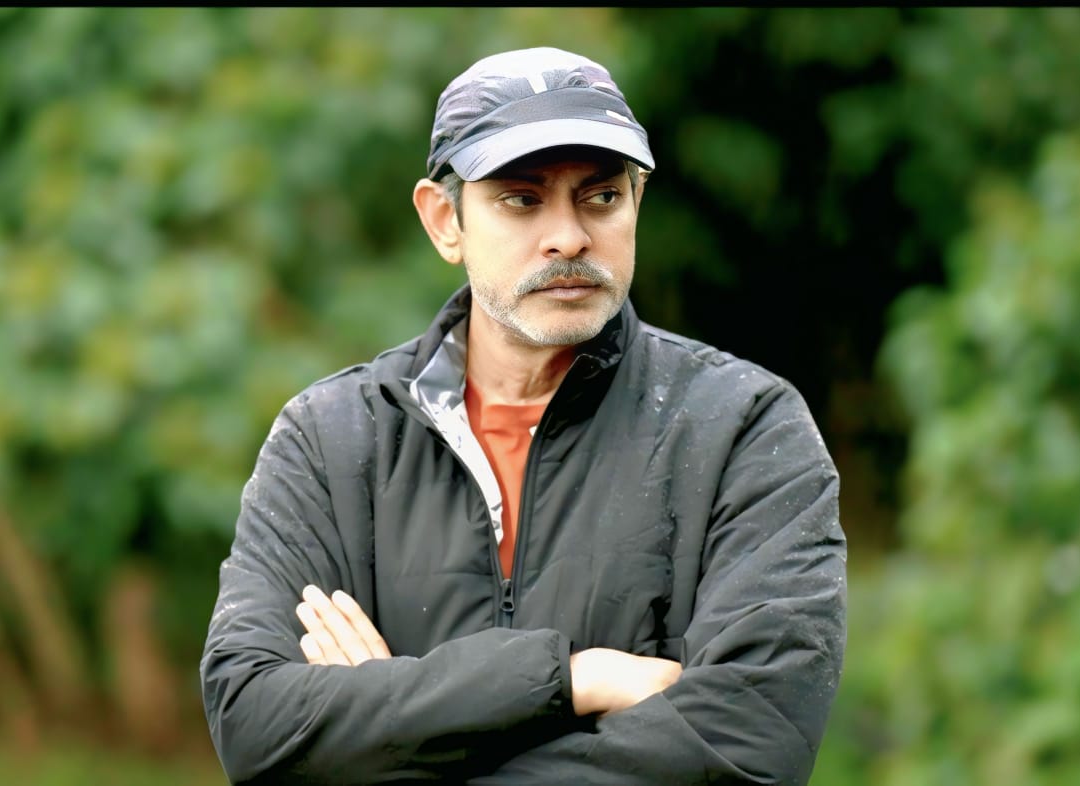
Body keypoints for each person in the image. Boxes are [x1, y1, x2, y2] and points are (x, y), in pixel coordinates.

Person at [200, 46, 847, 785]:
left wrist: (387, 735)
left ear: (637, 202)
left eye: (600, 197)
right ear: (444, 221)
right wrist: (569, 679)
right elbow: (254, 725)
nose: (569, 236)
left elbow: (748, 746)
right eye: (520, 199)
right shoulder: (332, 440)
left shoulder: (744, 430)